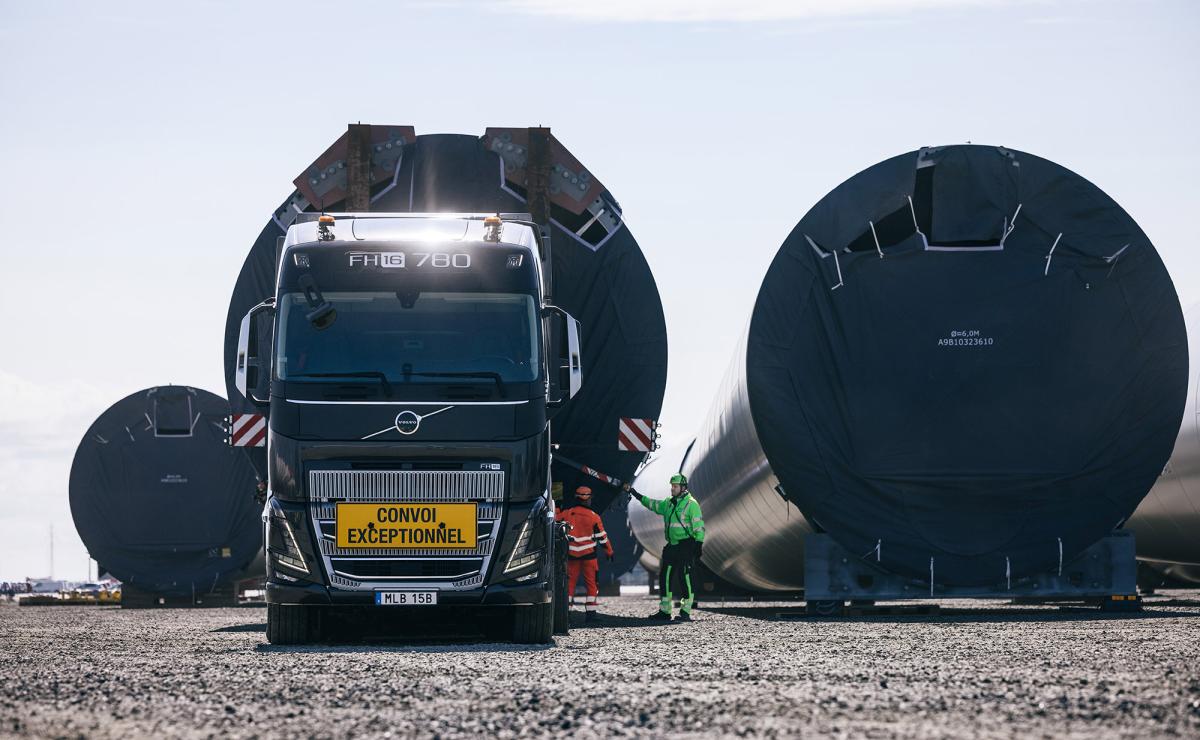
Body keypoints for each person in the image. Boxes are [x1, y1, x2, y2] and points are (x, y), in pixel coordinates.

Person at [627, 473, 705, 622]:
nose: (672, 489)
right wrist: (635, 494)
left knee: (684, 577)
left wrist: (698, 544)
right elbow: (652, 504)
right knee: (665, 577)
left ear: (683, 488)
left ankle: (685, 611)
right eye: (672, 486)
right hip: (672, 545)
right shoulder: (668, 503)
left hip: (686, 545)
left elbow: (699, 527)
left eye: (675, 486)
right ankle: (665, 611)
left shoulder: (691, 504)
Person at [555, 485, 613, 623]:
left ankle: (566, 614)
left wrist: (557, 506)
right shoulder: (594, 517)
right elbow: (602, 538)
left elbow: (555, 520)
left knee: (569, 585)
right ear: (588, 499)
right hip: (589, 557)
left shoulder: (567, 513)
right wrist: (609, 551)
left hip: (571, 556)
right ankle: (591, 614)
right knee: (592, 584)